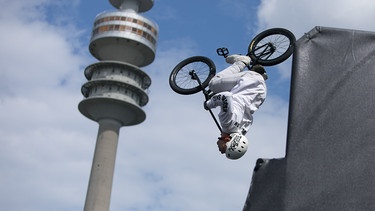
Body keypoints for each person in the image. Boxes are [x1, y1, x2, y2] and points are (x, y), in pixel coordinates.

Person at [204, 54, 267, 160]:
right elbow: (225, 97)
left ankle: (259, 72)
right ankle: (241, 62)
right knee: (213, 84)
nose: (221, 152)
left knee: (235, 97)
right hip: (249, 81)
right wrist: (208, 104)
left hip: (260, 93)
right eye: (224, 150)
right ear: (228, 141)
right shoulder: (228, 124)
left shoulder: (242, 130)